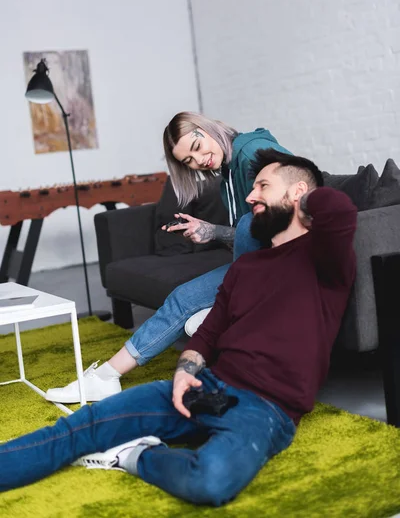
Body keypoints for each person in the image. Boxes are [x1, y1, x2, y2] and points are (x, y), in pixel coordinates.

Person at [0, 150, 357, 507]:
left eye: (262, 186)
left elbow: (338, 208)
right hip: (205, 386)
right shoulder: (245, 269)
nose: (250, 196)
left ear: (297, 193)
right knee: (80, 427)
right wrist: (187, 370)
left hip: (266, 409)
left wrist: (302, 194)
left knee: (210, 481)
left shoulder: (324, 259)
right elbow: (208, 333)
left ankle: (135, 457)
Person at [46, 112, 291, 403]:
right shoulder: (227, 171)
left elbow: (287, 207)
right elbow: (249, 234)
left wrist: (220, 233)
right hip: (254, 263)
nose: (198, 161)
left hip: (280, 264)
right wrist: (211, 232)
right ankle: (105, 377)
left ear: (206, 128)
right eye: (188, 161)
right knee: (182, 299)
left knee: (197, 317)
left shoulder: (251, 151)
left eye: (197, 148)